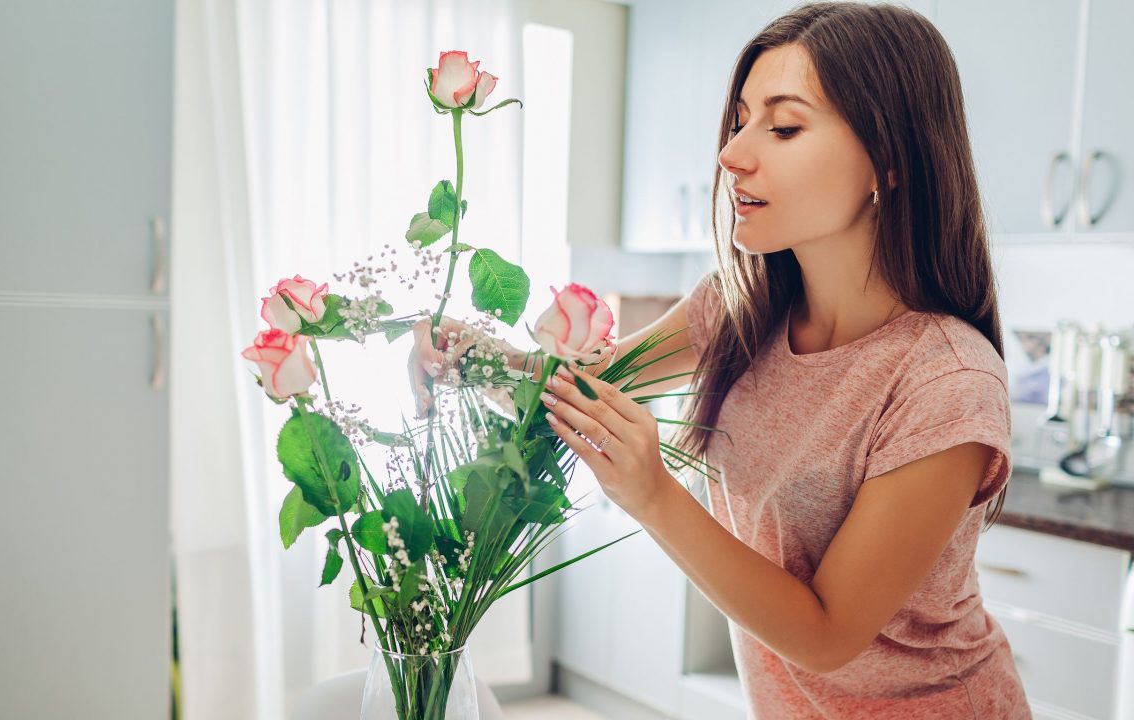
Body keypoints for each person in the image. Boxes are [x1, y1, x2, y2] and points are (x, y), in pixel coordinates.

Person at [410, 2, 1030, 717]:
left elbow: (829, 634)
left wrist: (652, 494)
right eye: (741, 119)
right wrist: (460, 354)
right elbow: (585, 393)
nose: (733, 153)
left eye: (785, 125)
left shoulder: (946, 380)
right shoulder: (738, 306)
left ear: (888, 162)